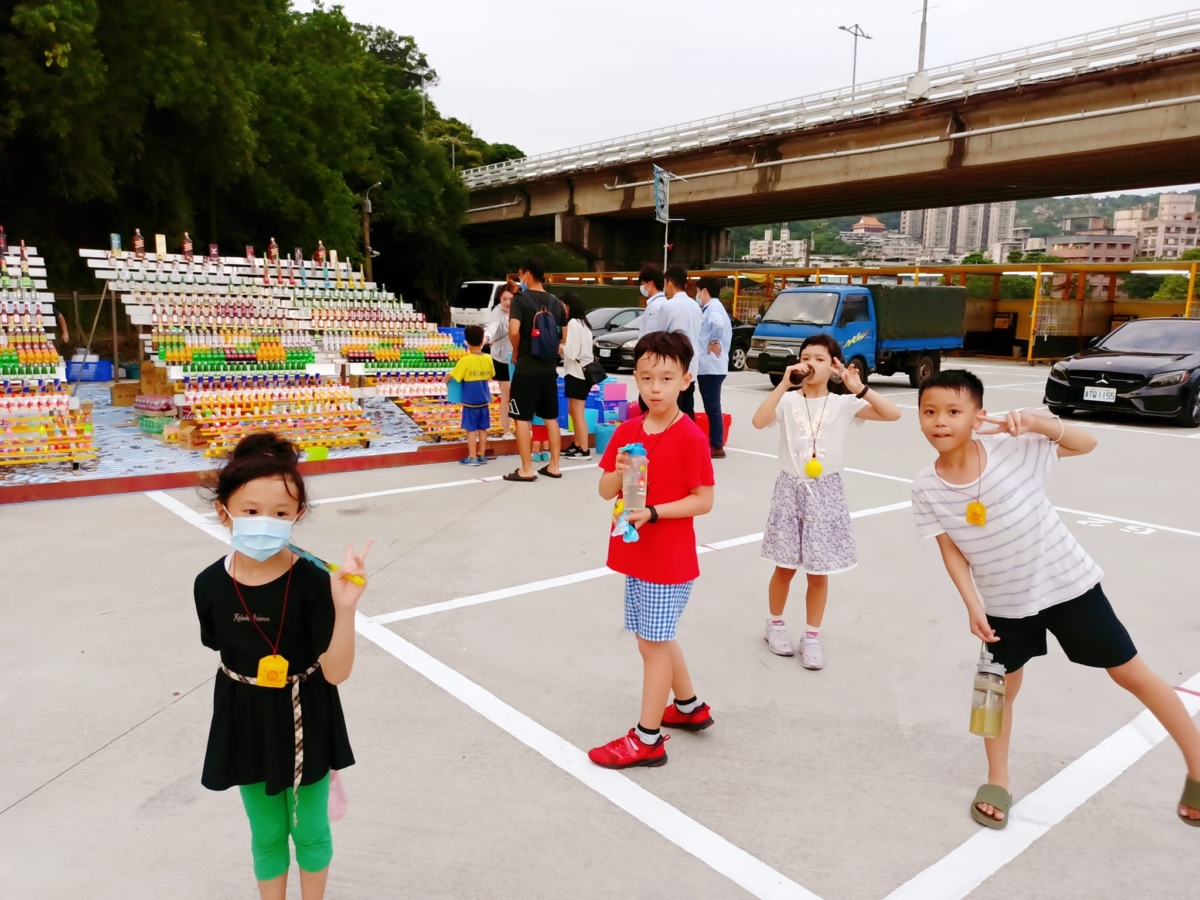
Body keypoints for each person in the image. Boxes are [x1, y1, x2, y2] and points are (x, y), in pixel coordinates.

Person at [911, 370, 1200, 830]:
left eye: (952, 411)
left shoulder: (1014, 449)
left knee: (1132, 675)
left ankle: (1198, 766)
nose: (939, 422)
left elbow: (1086, 444)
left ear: (978, 416)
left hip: (1069, 586)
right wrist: (972, 605)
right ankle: (998, 780)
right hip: (1003, 604)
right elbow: (951, 550)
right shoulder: (926, 486)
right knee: (994, 693)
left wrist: (1038, 423)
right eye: (929, 412)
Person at [194, 433, 372, 899]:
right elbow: (218, 645)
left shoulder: (314, 581)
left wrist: (346, 609)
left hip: (305, 711)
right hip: (244, 714)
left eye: (280, 513)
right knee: (266, 831)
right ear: (224, 511)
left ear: (297, 515)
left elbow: (334, 673)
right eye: (250, 511)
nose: (264, 523)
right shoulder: (208, 584)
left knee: (310, 829)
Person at [589, 331, 716, 769]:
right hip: (636, 553)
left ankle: (647, 739)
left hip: (668, 559)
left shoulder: (690, 437)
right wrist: (619, 467)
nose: (655, 388)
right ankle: (688, 708)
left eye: (666, 377)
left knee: (652, 644)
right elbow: (606, 489)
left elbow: (704, 499)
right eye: (646, 378)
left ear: (685, 379)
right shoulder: (626, 430)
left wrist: (657, 513)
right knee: (658, 637)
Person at [751, 334, 901, 668]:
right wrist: (783, 384)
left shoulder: (844, 404)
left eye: (820, 358)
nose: (810, 363)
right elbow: (759, 421)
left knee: (819, 572)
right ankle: (775, 624)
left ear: (833, 365)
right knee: (785, 566)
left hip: (826, 493)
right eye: (806, 356)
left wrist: (856, 385)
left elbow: (893, 414)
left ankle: (812, 636)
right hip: (790, 489)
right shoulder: (788, 401)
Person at [505, 257, 567, 482]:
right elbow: (562, 333)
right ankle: (555, 466)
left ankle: (527, 469)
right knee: (551, 417)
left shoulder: (520, 299)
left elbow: (514, 330)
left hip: (527, 367)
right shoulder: (556, 303)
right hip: (549, 368)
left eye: (520, 274)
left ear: (527, 274)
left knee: (521, 417)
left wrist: (516, 349)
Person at [637, 265, 702, 419]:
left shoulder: (668, 306)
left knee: (674, 408)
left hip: (673, 363)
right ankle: (689, 439)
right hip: (692, 364)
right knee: (688, 405)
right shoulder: (696, 306)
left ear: (669, 283)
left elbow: (657, 336)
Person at [446, 324, 496, 466]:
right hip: (484, 400)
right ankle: (481, 454)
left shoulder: (465, 361)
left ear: (466, 342)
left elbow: (452, 376)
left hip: (470, 402)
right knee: (483, 429)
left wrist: (445, 381)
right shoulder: (488, 358)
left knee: (471, 430)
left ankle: (472, 456)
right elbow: (492, 375)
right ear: (482, 341)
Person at [695, 276, 732, 458]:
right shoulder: (714, 307)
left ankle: (717, 446)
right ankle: (715, 443)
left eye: (698, 291)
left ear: (704, 291)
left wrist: (714, 341)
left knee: (712, 407)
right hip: (712, 366)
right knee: (712, 406)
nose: (697, 295)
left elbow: (717, 324)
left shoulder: (713, 309)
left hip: (711, 366)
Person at [561, 291, 595, 460]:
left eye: (563, 307)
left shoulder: (573, 323)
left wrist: (558, 347)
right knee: (573, 410)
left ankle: (584, 448)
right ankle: (578, 444)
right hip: (582, 373)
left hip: (576, 373)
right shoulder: (584, 324)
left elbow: (572, 352)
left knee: (577, 412)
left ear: (568, 306)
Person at [485, 282, 517, 437]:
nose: (507, 303)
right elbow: (491, 328)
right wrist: (484, 339)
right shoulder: (497, 312)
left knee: (520, 394)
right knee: (507, 395)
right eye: (504, 299)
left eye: (510, 299)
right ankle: (506, 430)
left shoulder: (519, 309)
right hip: (501, 359)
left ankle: (522, 427)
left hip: (518, 357)